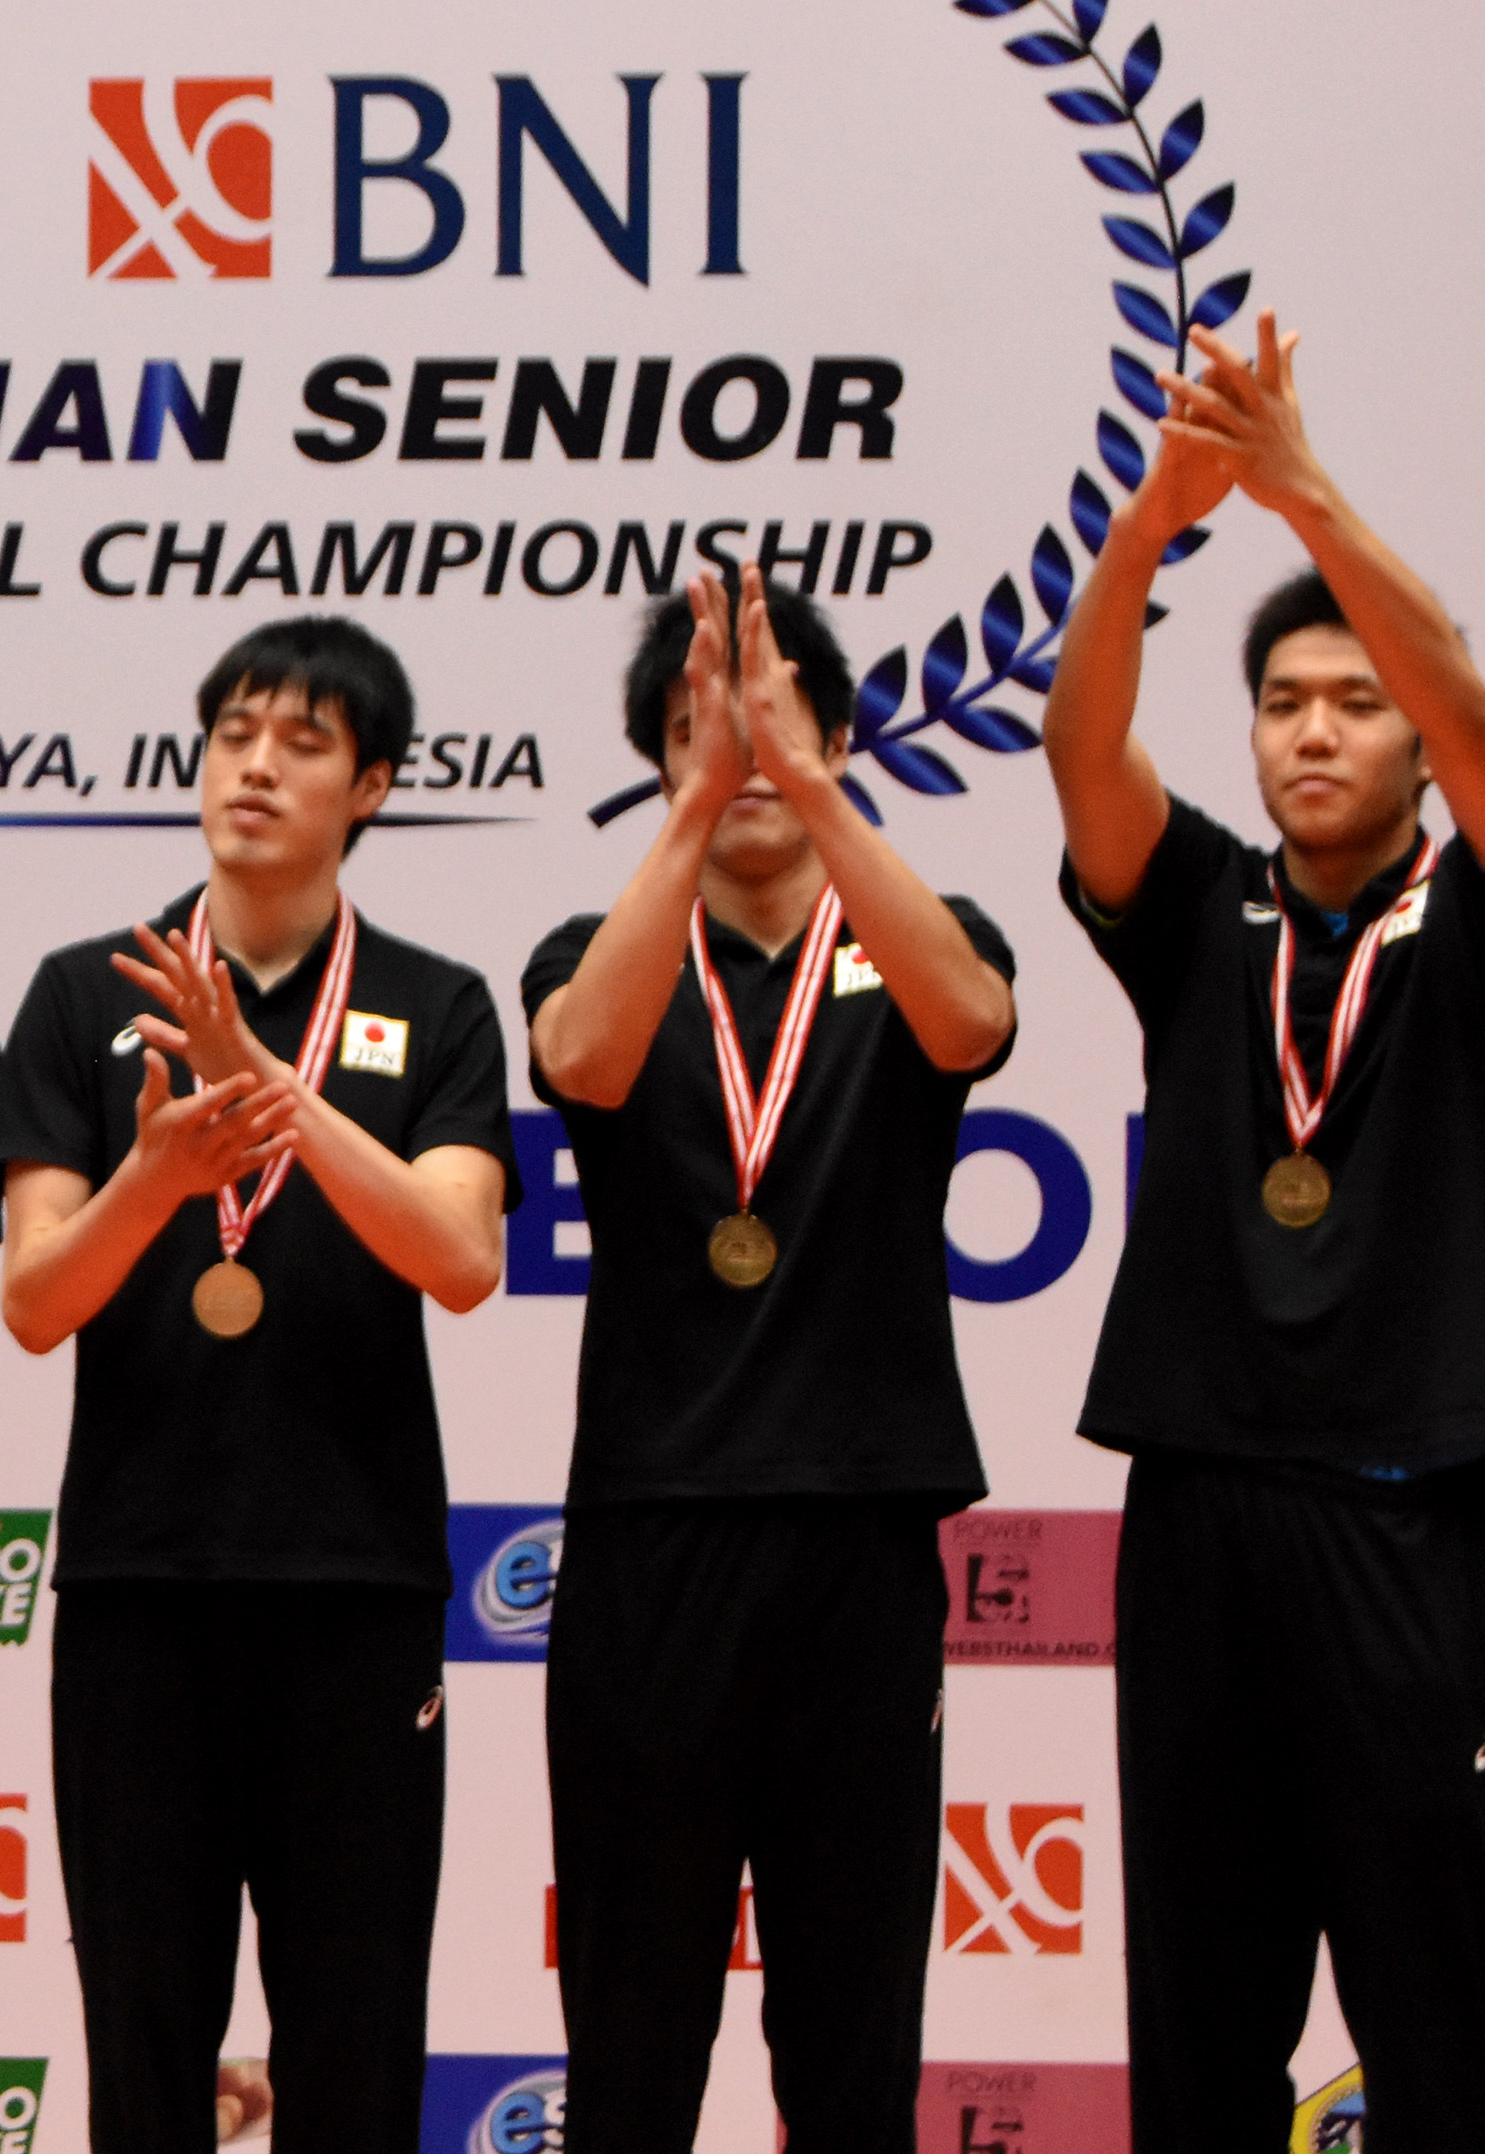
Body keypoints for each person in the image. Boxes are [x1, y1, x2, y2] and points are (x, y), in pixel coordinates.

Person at [1042, 312, 1485, 2154]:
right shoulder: (1199, 910)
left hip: (1404, 1520)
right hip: (1194, 1513)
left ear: (1418, 735)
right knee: (1196, 2024)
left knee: (1433, 2029)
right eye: (1282, 701)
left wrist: (1305, 495)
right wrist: (1149, 528)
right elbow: (1080, 743)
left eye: (1357, 700)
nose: (1315, 729)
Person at [0, 616, 519, 2154]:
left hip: (356, 1587)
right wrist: (153, 1173)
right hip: (141, 1585)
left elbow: (463, 1254)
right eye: (234, 734)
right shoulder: (86, 994)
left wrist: (275, 1088)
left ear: (375, 784)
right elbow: (32, 1302)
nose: (256, 768)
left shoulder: (439, 998)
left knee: (355, 2029)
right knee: (143, 2028)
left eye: (302, 741)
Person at [521, 567, 1016, 2151]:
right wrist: (704, 788)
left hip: (861, 1535)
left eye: (775, 726)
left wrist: (797, 769)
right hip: (650, 1540)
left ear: (843, 740)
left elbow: (974, 1023)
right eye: (689, 734)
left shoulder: (920, 938)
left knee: (853, 2031)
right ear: (655, 761)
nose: (735, 761)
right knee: (633, 2031)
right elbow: (581, 1060)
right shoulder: (587, 952)